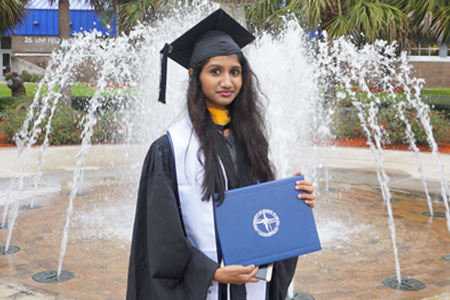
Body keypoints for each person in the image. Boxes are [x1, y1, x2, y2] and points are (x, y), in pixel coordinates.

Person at [126, 9, 315, 300]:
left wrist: (294, 202)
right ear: (195, 76)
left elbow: (261, 216)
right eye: (216, 71)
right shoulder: (170, 149)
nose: (227, 82)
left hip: (252, 286)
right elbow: (161, 236)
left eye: (234, 72)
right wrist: (212, 271)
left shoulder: (250, 140)